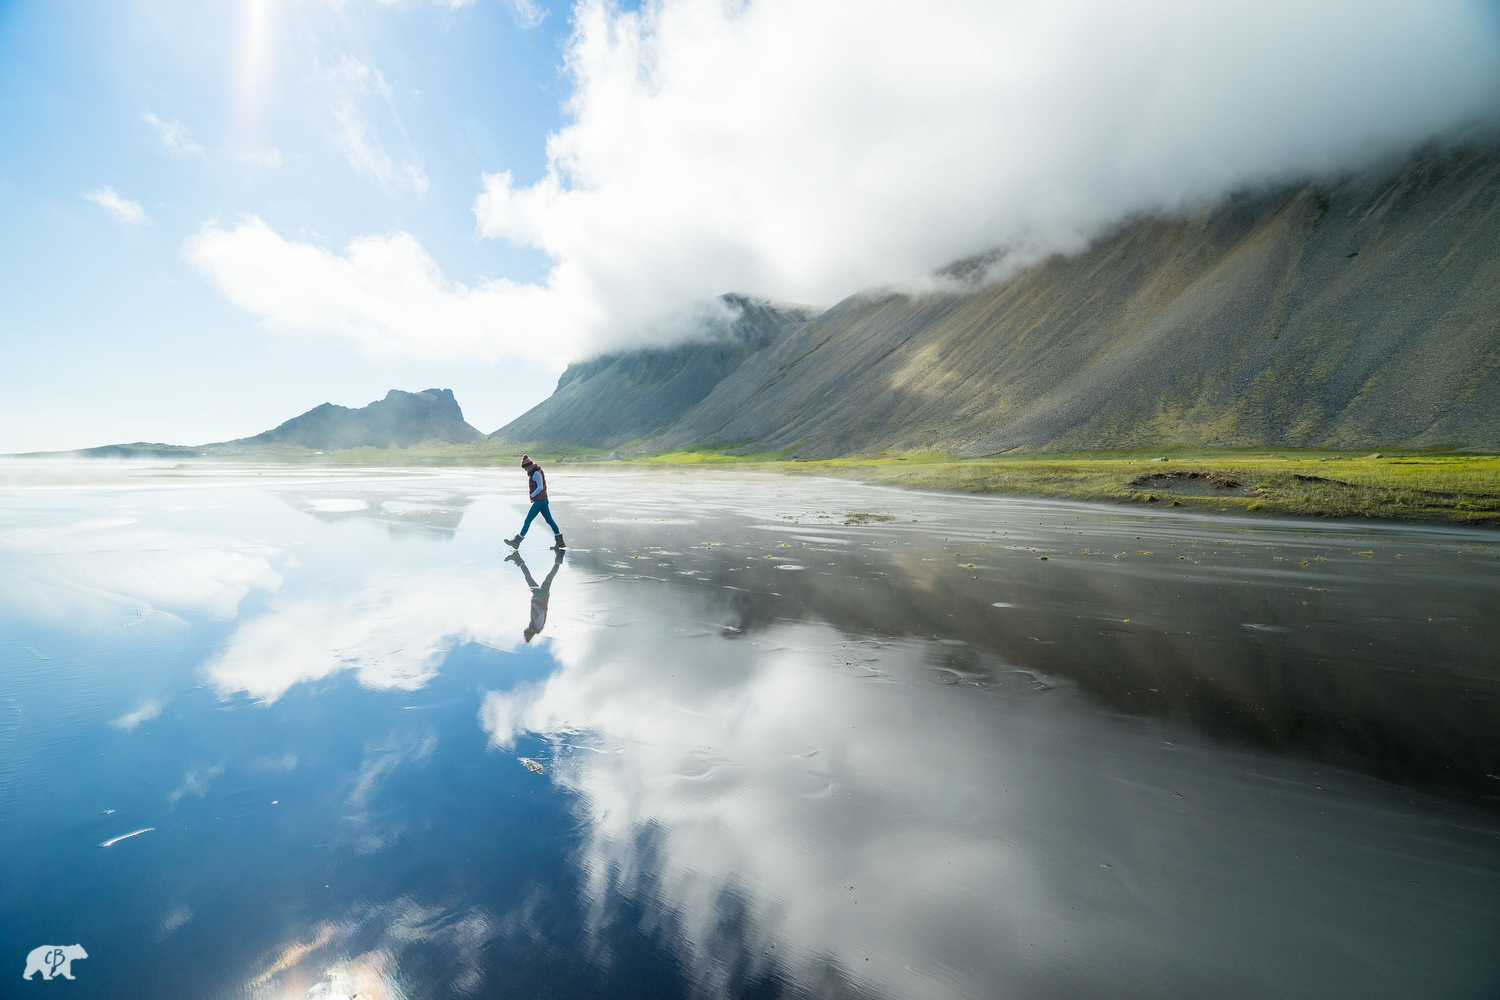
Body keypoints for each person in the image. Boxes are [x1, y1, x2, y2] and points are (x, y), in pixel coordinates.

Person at [505, 454, 564, 550]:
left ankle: (516, 542)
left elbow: (540, 487)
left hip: (539, 501)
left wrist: (532, 495)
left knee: (527, 520)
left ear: (528, 465)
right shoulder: (536, 472)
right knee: (549, 520)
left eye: (525, 467)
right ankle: (560, 542)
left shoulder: (536, 473)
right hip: (543, 500)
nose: (525, 470)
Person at [506, 549, 562, 643]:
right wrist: (533, 604)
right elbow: (541, 613)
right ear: (530, 632)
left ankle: (559, 558)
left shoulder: (535, 627)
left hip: (543, 596)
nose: (527, 628)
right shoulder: (537, 627)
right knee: (529, 577)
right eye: (527, 631)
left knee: (550, 576)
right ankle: (517, 558)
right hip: (540, 597)